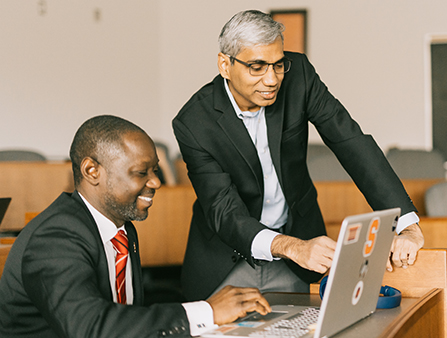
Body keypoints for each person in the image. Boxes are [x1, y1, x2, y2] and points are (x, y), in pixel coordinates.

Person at [172, 10, 424, 302]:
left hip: (298, 261)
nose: (271, 79)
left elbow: (351, 142)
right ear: (225, 65)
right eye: (257, 67)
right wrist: (293, 247)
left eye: (278, 65)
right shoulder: (193, 122)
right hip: (226, 261)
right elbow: (224, 212)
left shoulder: (299, 75)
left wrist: (407, 224)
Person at [0, 115, 270, 337]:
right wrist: (206, 312)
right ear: (92, 171)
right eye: (142, 172)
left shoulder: (122, 227)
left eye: (155, 170)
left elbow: (127, 318)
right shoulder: (55, 237)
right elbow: (89, 328)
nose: (155, 183)